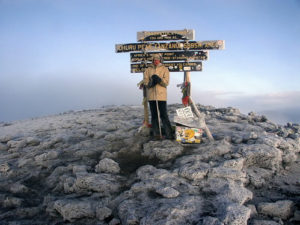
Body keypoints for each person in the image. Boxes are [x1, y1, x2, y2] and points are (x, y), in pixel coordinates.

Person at [143, 54, 173, 139]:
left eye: (157, 60)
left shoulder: (164, 69)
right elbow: (145, 82)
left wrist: (159, 80)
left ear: (160, 60)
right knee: (154, 115)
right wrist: (150, 83)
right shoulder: (148, 70)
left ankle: (169, 134)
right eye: (154, 60)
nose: (156, 61)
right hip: (152, 96)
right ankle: (156, 134)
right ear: (152, 61)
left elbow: (166, 82)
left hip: (161, 96)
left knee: (164, 115)